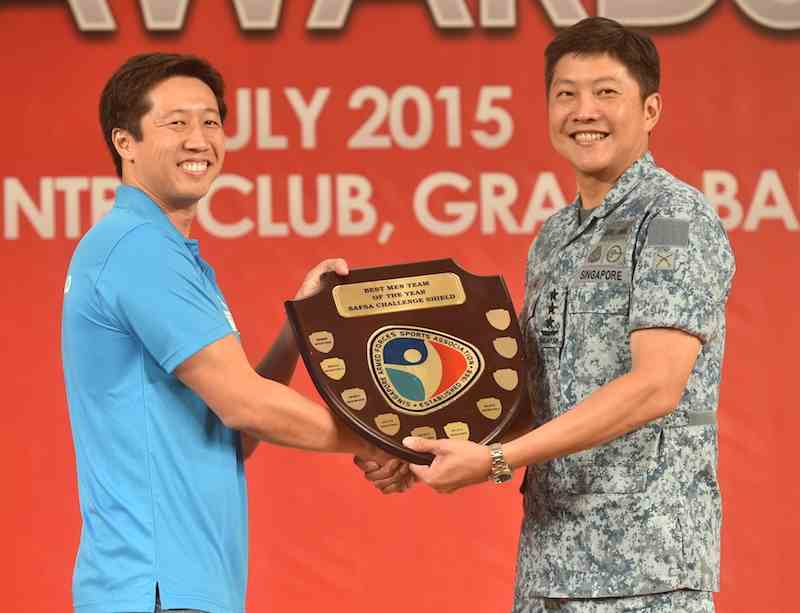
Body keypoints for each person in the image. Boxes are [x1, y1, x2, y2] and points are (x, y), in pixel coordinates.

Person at [382, 17, 735, 613]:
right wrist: (417, 446)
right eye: (566, 93)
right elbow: (525, 394)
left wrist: (495, 461)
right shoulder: (554, 238)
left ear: (650, 110)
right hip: (550, 567)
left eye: (606, 92)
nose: (583, 111)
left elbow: (656, 386)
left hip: (646, 574)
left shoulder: (674, 219)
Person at [61, 53, 408, 613]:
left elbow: (234, 430)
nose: (199, 140)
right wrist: (384, 441)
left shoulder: (163, 251)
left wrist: (297, 328)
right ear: (125, 142)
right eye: (176, 123)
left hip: (181, 587)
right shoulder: (139, 249)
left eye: (211, 122)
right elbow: (245, 405)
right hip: (155, 588)